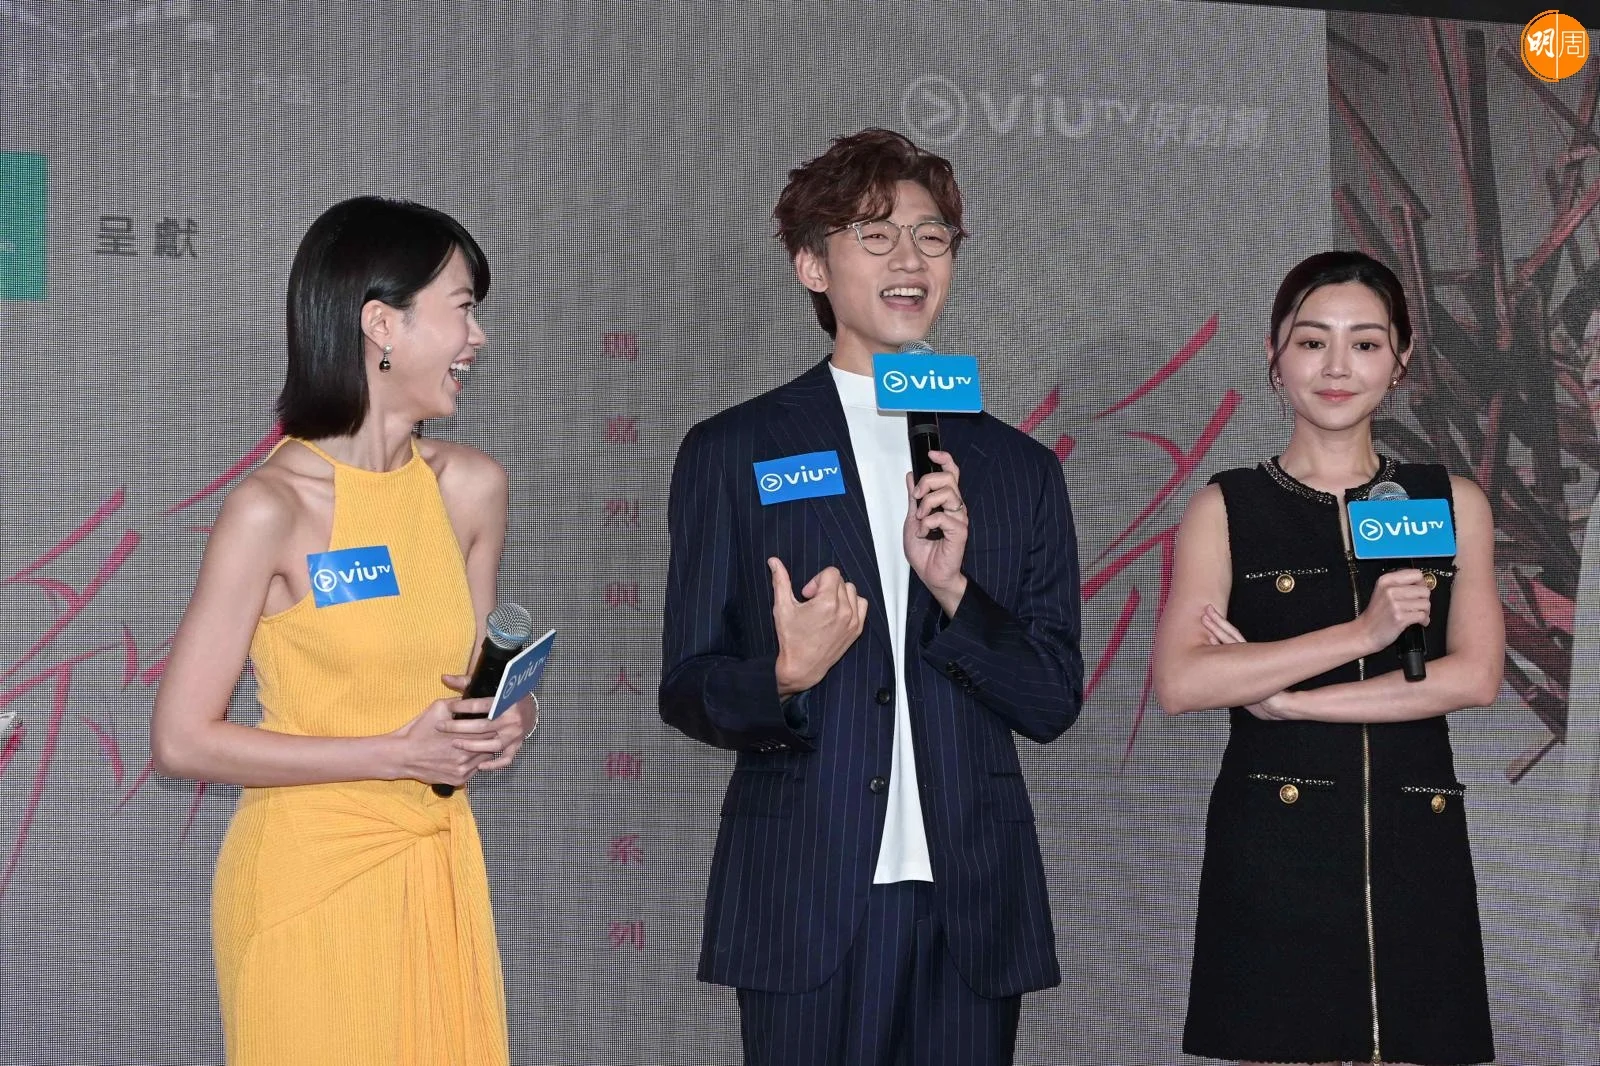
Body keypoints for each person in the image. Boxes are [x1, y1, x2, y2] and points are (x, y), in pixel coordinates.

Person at [658, 128, 1084, 1065]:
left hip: (971, 900)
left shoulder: (1018, 468)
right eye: (875, 236)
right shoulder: (736, 449)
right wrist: (783, 673)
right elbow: (686, 684)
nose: (909, 261)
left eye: (932, 238)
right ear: (813, 266)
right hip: (803, 893)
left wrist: (956, 591)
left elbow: (1053, 698)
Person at [151, 196, 533, 1065]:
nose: (477, 339)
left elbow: (477, 672)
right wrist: (393, 754)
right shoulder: (272, 507)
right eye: (463, 308)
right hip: (306, 881)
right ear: (381, 324)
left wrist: (512, 715)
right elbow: (181, 738)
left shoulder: (471, 488)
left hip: (435, 863)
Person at [1152, 250, 1502, 1066]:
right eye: (1312, 342)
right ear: (1274, 357)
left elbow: (1473, 676)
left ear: (1401, 359)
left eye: (1366, 343)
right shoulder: (1227, 507)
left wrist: (1294, 700)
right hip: (1277, 855)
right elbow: (1182, 680)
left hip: (1417, 848)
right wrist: (1359, 636)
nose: (1337, 367)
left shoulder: (1449, 502)